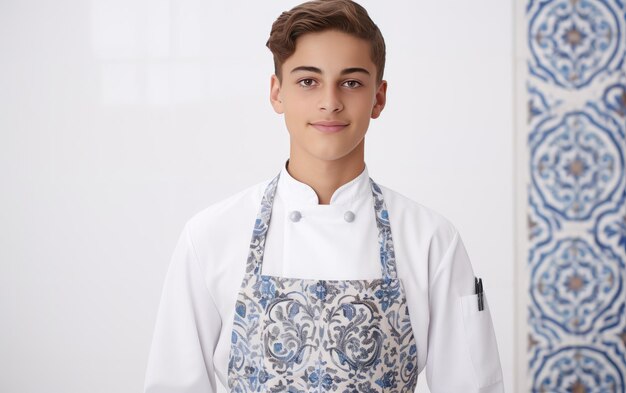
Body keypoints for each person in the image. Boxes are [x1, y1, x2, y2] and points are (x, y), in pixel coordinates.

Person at [143, 0, 504, 392]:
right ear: (277, 93)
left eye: (351, 82)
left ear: (378, 98)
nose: (330, 101)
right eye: (308, 81)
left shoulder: (432, 240)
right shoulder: (210, 236)